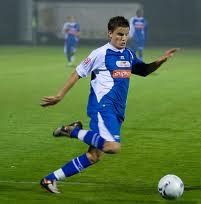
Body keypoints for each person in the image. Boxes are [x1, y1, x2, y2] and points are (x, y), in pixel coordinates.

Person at [40, 16, 178, 194]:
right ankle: (71, 130)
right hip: (103, 107)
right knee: (112, 146)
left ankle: (50, 179)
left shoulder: (128, 54)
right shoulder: (100, 53)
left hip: (118, 111)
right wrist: (59, 95)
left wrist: (160, 61)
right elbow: (77, 73)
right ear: (110, 33)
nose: (123, 38)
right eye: (119, 34)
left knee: (94, 156)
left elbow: (143, 70)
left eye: (126, 35)